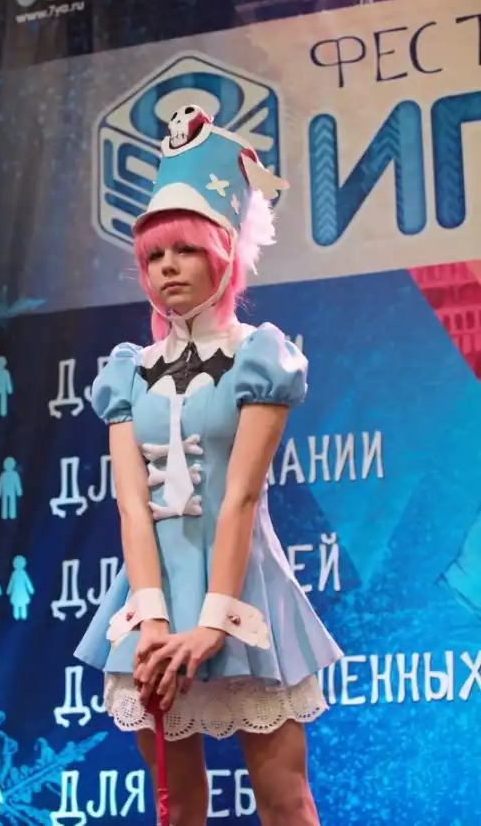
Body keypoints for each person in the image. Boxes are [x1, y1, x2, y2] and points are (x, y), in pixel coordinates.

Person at [74, 105, 343, 826]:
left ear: (222, 252)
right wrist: (154, 619)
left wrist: (216, 621)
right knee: (177, 806)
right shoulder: (126, 372)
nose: (167, 267)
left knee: (286, 801)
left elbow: (241, 498)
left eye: (185, 250)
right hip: (151, 607)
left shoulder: (260, 355)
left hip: (244, 593)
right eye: (154, 255)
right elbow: (132, 506)